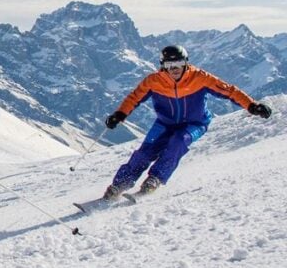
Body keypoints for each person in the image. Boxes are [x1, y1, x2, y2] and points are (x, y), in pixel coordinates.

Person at [102, 45, 272, 200]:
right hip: (165, 124)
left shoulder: (200, 77)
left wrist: (252, 105)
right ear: (163, 66)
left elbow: (230, 91)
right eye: (169, 65)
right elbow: (134, 98)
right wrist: (119, 115)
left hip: (195, 123)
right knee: (145, 152)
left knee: (178, 142)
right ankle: (119, 185)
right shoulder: (154, 81)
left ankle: (154, 180)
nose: (174, 69)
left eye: (178, 63)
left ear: (186, 63)